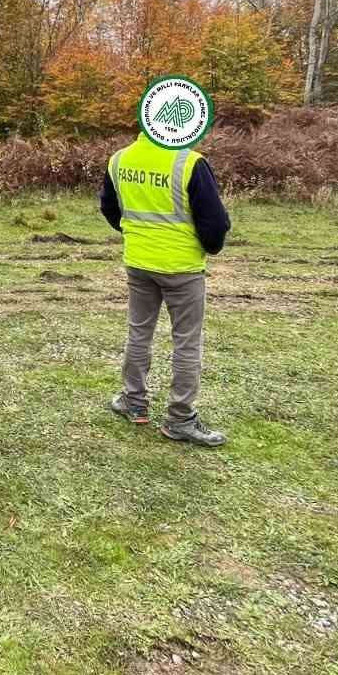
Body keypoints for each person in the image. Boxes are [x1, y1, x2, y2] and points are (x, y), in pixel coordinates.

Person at [98, 129, 232, 446]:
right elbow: (214, 223)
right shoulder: (190, 162)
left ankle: (133, 402)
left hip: (138, 261)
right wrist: (209, 247)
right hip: (182, 266)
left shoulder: (119, 159)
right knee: (186, 341)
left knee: (139, 332)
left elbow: (109, 208)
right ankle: (180, 419)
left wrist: (137, 233)